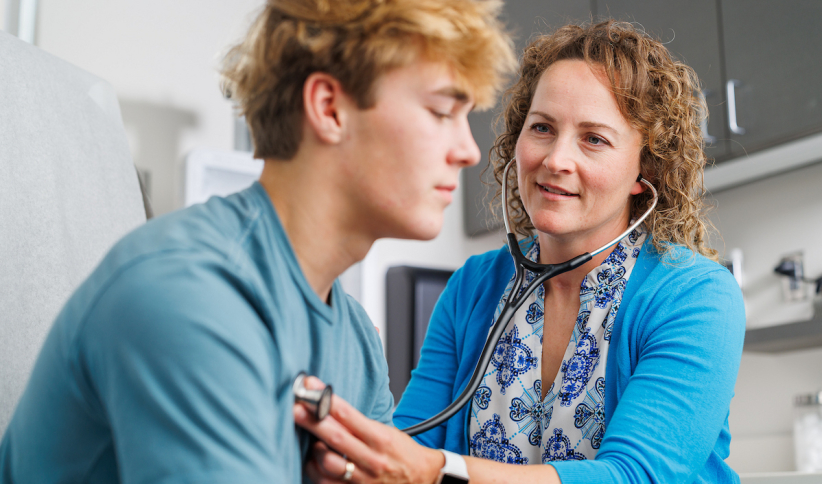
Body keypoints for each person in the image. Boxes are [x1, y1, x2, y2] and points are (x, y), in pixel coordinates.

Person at [0, 1, 515, 482]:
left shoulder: (355, 338)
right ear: (330, 108)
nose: (468, 151)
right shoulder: (189, 297)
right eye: (442, 112)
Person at [294, 20, 746, 484]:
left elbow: (635, 476)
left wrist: (435, 470)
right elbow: (409, 450)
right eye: (543, 128)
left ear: (642, 170)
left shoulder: (695, 297)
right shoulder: (473, 286)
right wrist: (353, 385)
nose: (555, 159)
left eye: (594, 139)